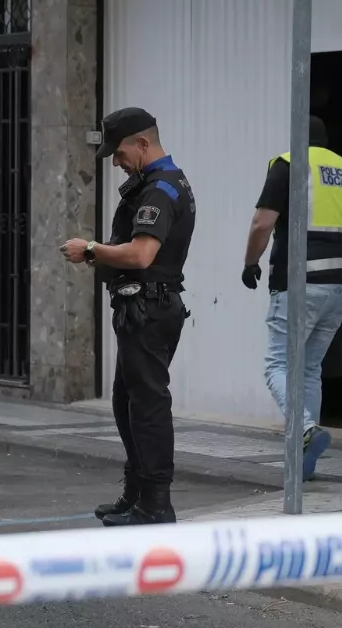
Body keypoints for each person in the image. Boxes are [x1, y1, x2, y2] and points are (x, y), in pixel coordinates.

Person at [61, 107, 195, 526]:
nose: (116, 163)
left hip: (150, 309)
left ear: (143, 143)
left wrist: (90, 250)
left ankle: (156, 503)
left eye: (119, 154)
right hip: (142, 308)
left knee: (148, 406)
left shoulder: (161, 189)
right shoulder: (156, 184)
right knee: (127, 403)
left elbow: (141, 253)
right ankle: (138, 493)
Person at [242, 116, 342, 481]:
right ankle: (304, 461)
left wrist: (250, 263)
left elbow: (262, 223)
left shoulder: (289, 164)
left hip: (300, 279)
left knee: (277, 366)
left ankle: (304, 430)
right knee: (310, 367)